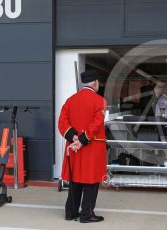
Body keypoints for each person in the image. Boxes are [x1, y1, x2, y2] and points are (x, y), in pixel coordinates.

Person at [58, 69, 106, 223]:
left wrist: (74, 138)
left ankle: (70, 213)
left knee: (75, 180)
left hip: (73, 147)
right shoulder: (99, 101)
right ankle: (87, 214)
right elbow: (97, 124)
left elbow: (62, 123)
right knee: (91, 182)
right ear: (95, 83)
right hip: (91, 146)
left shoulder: (70, 100)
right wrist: (83, 140)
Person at [155, 83, 167, 160]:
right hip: (162, 121)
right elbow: (162, 112)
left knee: (160, 137)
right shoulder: (163, 99)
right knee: (164, 137)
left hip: (161, 121)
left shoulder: (163, 99)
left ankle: (156, 153)